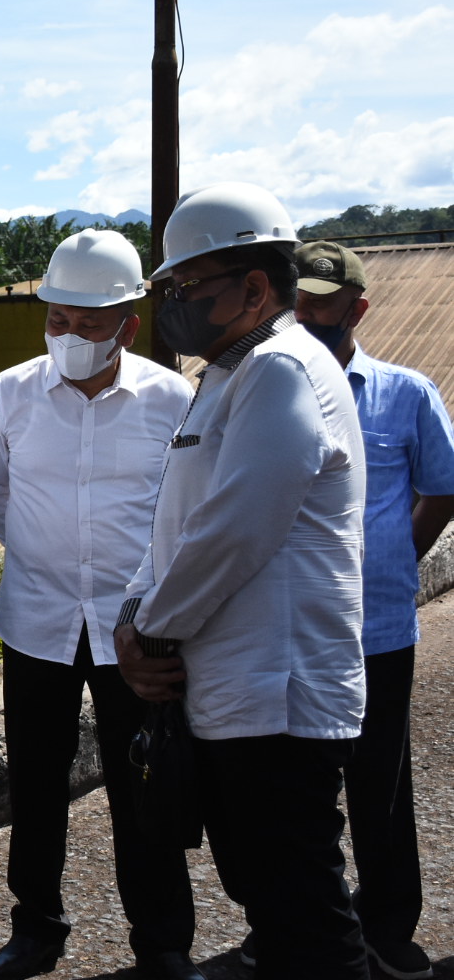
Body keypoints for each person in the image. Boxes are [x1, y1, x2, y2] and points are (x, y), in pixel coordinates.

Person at [116, 182, 370, 980]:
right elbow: (179, 522)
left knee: (307, 920)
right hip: (235, 694)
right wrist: (134, 609)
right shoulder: (229, 375)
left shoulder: (281, 370)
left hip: (278, 698)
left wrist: (149, 629)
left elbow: (234, 531)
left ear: (256, 288)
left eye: (187, 290)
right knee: (273, 908)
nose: (174, 308)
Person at [0, 229, 199, 980]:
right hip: (38, 622)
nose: (68, 335)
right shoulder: (10, 392)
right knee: (36, 785)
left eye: (88, 322)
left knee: (147, 787)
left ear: (128, 326)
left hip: (139, 628)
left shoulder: (172, 398)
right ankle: (36, 927)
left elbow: (182, 511)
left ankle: (161, 940)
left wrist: (139, 600)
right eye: (57, 320)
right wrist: (50, 565)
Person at [290, 240, 454, 980]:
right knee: (295, 788)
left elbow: (441, 489)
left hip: (377, 628)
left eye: (321, 302)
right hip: (288, 626)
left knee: (379, 785)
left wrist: (391, 561)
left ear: (357, 308)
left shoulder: (406, 393)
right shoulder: (266, 388)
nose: (305, 313)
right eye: (297, 299)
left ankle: (387, 924)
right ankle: (295, 922)